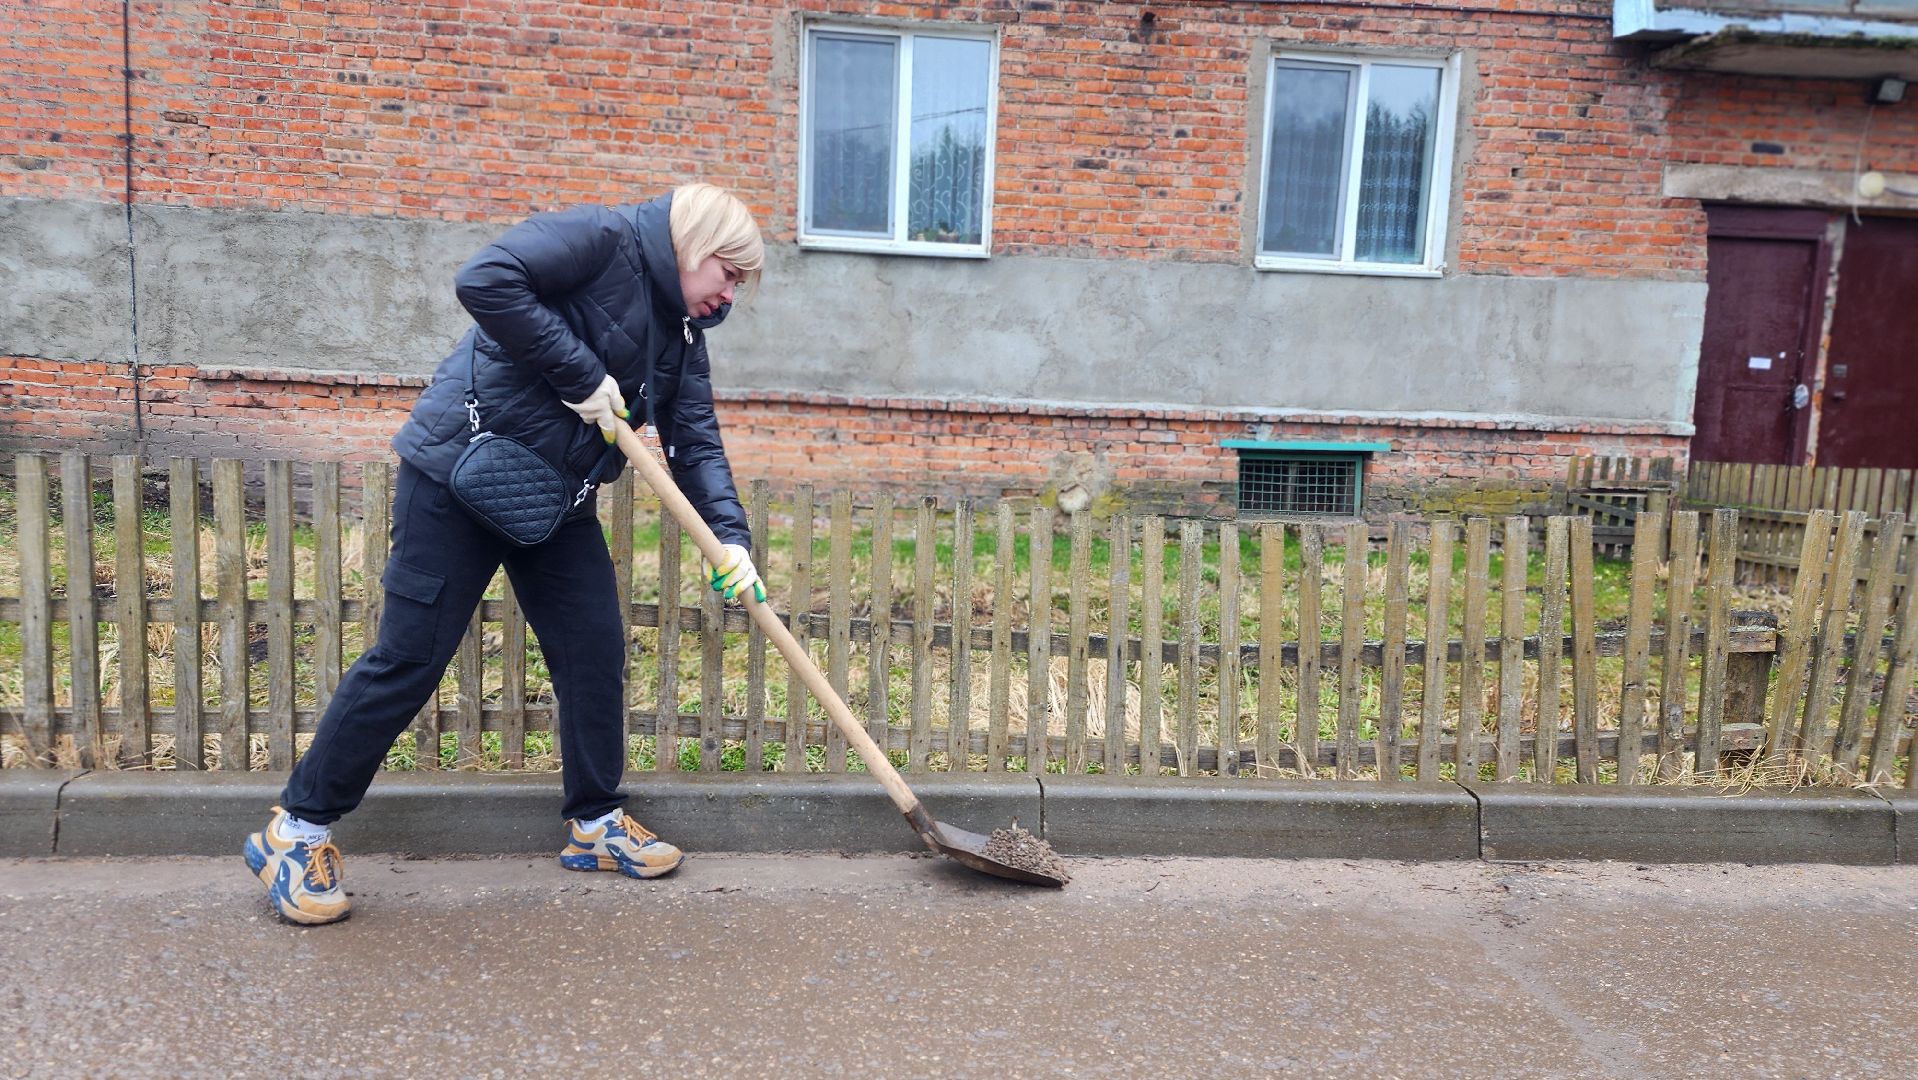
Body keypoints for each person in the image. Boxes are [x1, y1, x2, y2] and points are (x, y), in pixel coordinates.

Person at [242, 183, 768, 925]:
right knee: (410, 655)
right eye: (729, 272)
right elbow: (485, 280)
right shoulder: (600, 239)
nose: (731, 293)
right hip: (458, 476)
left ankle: (594, 822)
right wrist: (580, 373)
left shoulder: (681, 333)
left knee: (593, 649)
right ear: (694, 248)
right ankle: (294, 831)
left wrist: (731, 539)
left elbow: (696, 439)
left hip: (553, 500)